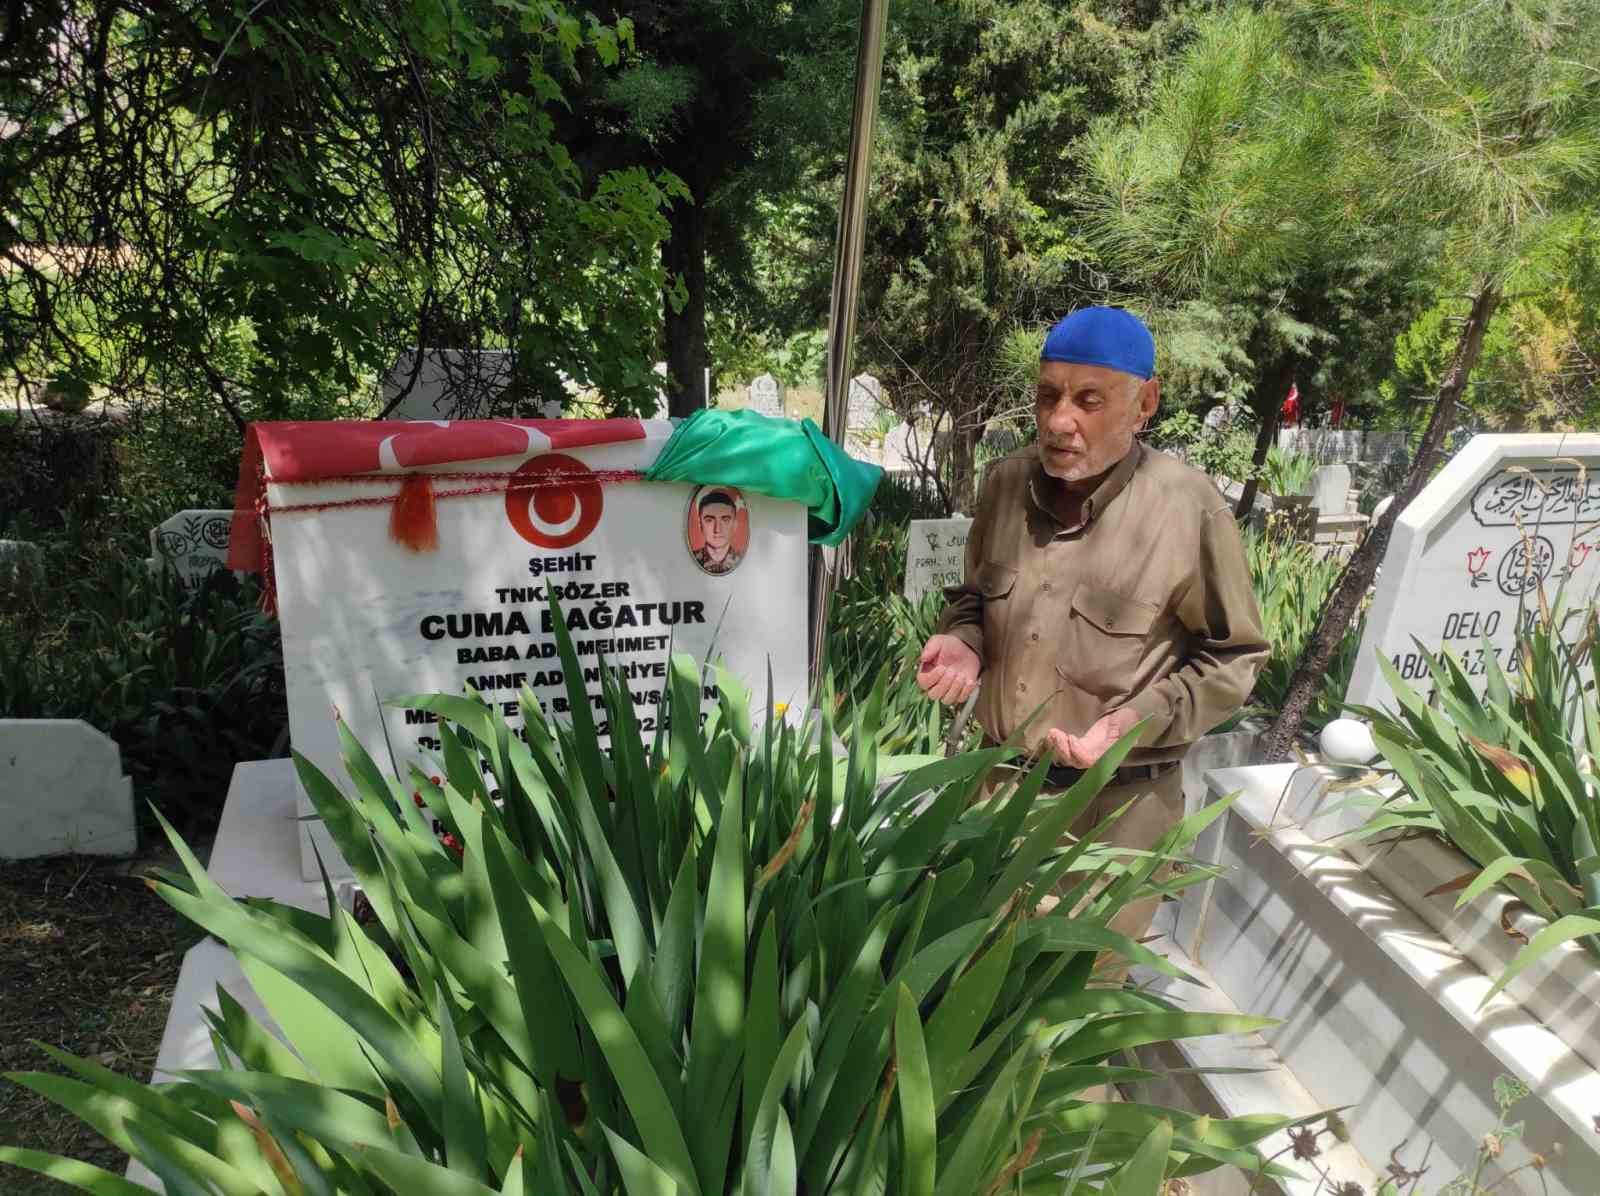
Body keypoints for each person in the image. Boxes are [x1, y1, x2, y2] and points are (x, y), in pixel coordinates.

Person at [916, 305, 1268, 952]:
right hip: (995, 794)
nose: (1059, 421)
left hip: (1112, 822)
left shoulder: (1187, 509)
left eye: (1088, 400)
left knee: (1065, 1011)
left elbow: (1234, 657)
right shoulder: (1006, 483)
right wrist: (965, 640)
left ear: (1145, 404)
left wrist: (1141, 718)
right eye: (1048, 396)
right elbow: (973, 597)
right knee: (971, 990)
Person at [691, 488, 744, 575]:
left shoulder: (743, 561)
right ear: (700, 525)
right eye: (709, 520)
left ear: (734, 525)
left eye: (725, 520)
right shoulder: (690, 558)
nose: (717, 529)